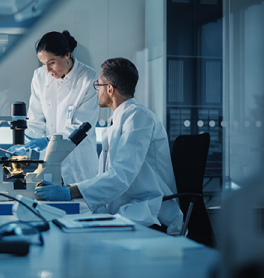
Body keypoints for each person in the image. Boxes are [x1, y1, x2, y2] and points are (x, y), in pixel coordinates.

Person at [34, 57, 184, 234]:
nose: (96, 91)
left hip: (148, 212)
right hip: (125, 208)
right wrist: (67, 189)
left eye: (98, 86)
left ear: (110, 89)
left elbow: (121, 175)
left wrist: (70, 193)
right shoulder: (118, 120)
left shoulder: (138, 118)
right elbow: (107, 177)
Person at [7, 31, 99, 189]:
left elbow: (80, 127)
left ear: (67, 55)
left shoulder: (89, 79)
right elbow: (35, 119)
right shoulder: (39, 77)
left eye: (52, 62)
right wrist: (26, 147)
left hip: (78, 162)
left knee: (79, 206)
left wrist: (46, 141)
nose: (48, 69)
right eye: (43, 64)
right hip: (49, 161)